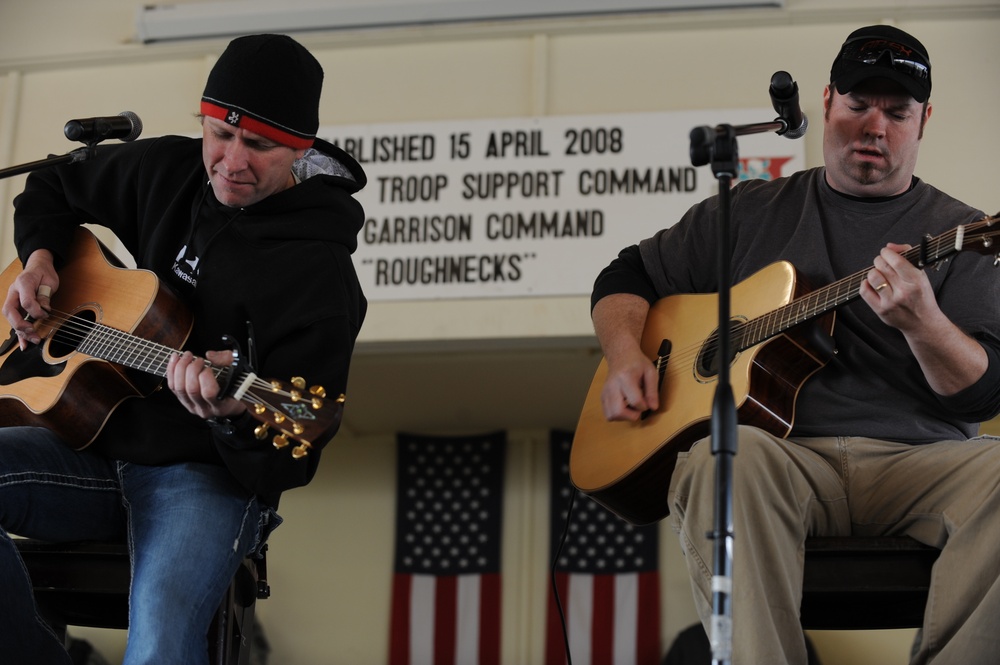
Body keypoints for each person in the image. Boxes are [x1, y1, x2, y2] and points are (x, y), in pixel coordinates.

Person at [590, 25, 1000, 664]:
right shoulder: (749, 210)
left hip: (918, 463)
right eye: (860, 105)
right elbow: (626, 276)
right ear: (828, 100)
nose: (876, 127)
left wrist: (924, 322)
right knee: (720, 460)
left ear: (924, 122)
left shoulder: (962, 233)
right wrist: (626, 357)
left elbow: (981, 393)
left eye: (897, 113)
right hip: (784, 460)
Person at [0, 34, 367, 664]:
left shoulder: (321, 278)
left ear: (302, 150)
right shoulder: (167, 169)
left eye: (258, 145)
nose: (231, 161)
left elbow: (296, 452)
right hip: (90, 447)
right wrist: (40, 259)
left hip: (202, 481)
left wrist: (228, 417)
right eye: (219, 134)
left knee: (160, 641)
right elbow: (51, 187)